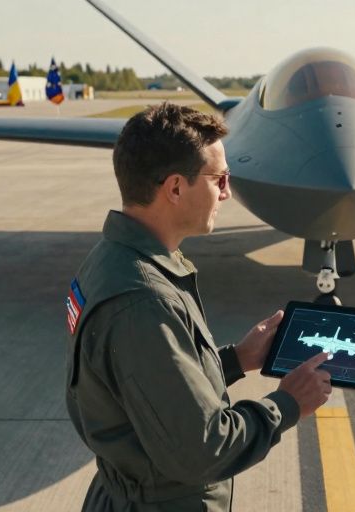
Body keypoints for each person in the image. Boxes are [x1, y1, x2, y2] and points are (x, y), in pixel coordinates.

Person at [65, 102, 333, 511]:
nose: (227, 191)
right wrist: (287, 404)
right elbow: (203, 451)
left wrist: (235, 360)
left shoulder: (111, 260)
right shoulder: (144, 301)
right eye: (219, 178)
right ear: (175, 188)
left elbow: (144, 389)